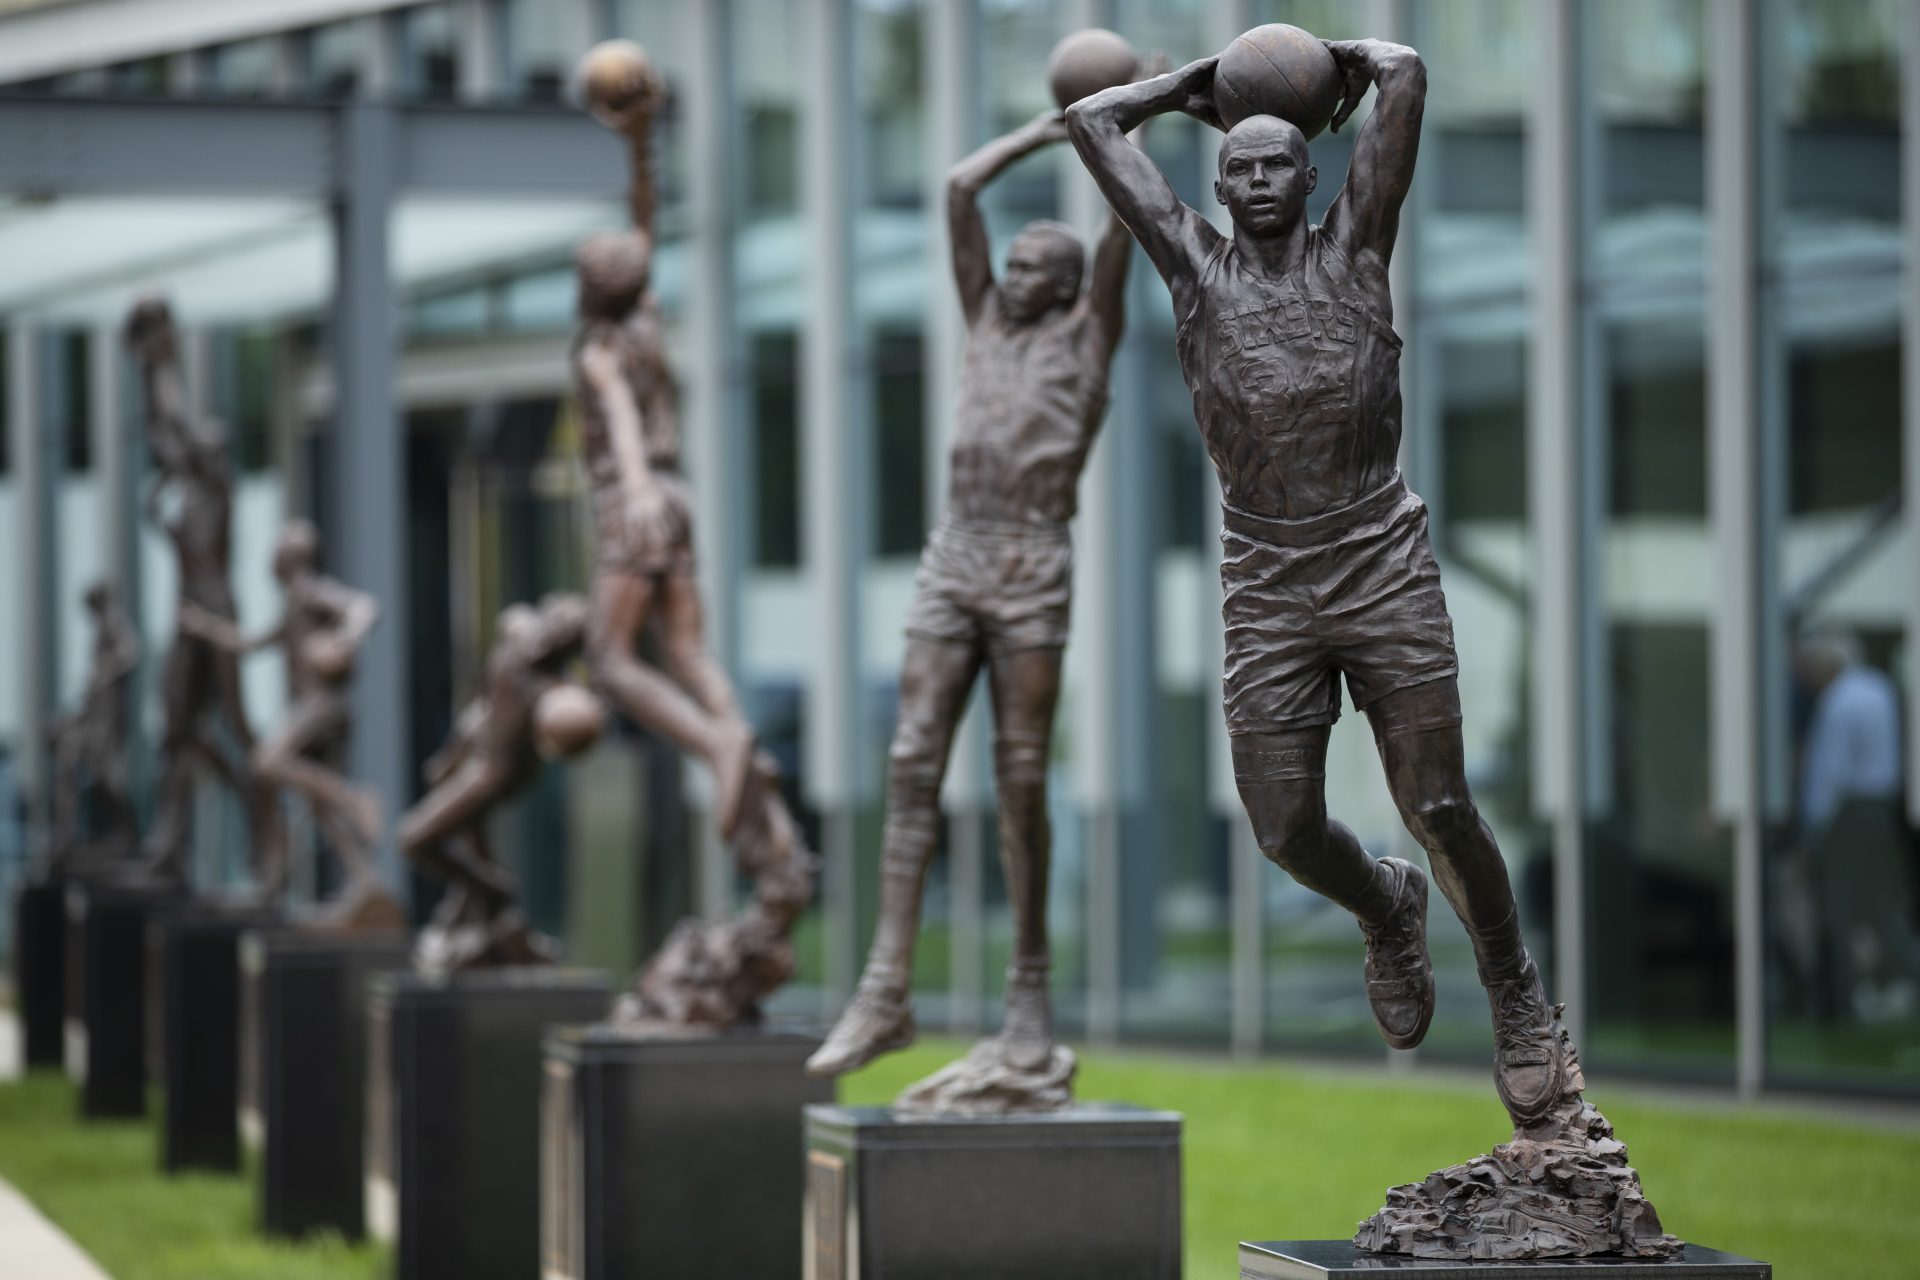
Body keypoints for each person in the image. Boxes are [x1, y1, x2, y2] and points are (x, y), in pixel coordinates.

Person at [1066, 40, 1565, 1125]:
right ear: (1214, 181)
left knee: (1438, 800)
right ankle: (1384, 904)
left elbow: (1410, 74)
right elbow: (1095, 125)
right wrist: (1190, 84)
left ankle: (1515, 989)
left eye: (1276, 166)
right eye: (1237, 167)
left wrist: (1346, 60)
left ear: (1314, 179)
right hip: (1268, 582)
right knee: (1285, 828)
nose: (1254, 182)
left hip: (1379, 558)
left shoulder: (1359, 253)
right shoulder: (1192, 269)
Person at [806, 107, 1137, 1088]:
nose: (1015, 273)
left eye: (1036, 263)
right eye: (1016, 261)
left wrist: (1127, 122)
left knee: (1020, 776)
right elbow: (957, 191)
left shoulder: (1089, 338)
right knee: (911, 759)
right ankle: (883, 989)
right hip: (955, 553)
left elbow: (1126, 221)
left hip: (1033, 558)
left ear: (1071, 286)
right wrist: (1043, 130)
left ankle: (1028, 988)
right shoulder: (987, 322)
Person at [125, 296, 280, 888]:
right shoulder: (188, 494)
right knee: (175, 731)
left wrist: (164, 359)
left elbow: (177, 425)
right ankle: (171, 841)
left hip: (215, 615)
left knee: (239, 728)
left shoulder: (218, 491)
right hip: (188, 616)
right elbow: (159, 429)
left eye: (205, 448)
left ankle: (264, 828)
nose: (194, 451)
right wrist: (146, 366)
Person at [182, 519, 396, 924]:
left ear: (291, 556)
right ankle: (364, 881)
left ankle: (356, 799)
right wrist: (204, 627)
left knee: (266, 762)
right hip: (313, 710)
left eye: (278, 549)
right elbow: (247, 644)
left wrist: (346, 641)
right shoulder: (294, 604)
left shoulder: (314, 591)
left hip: (322, 709)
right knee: (318, 807)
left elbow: (364, 607)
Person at [396, 595, 590, 971]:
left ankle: (496, 891)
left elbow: (573, 722)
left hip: (493, 776)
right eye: (553, 624)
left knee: (414, 838)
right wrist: (454, 752)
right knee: (469, 844)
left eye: (563, 636)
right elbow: (487, 702)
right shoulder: (519, 635)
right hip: (471, 756)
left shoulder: (552, 690)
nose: (548, 637)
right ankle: (476, 920)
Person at [46, 583, 140, 864]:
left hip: (107, 717)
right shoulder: (103, 625)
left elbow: (131, 653)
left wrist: (102, 676)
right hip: (94, 713)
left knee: (104, 776)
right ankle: (65, 837)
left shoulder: (114, 620)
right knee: (68, 758)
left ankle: (129, 834)